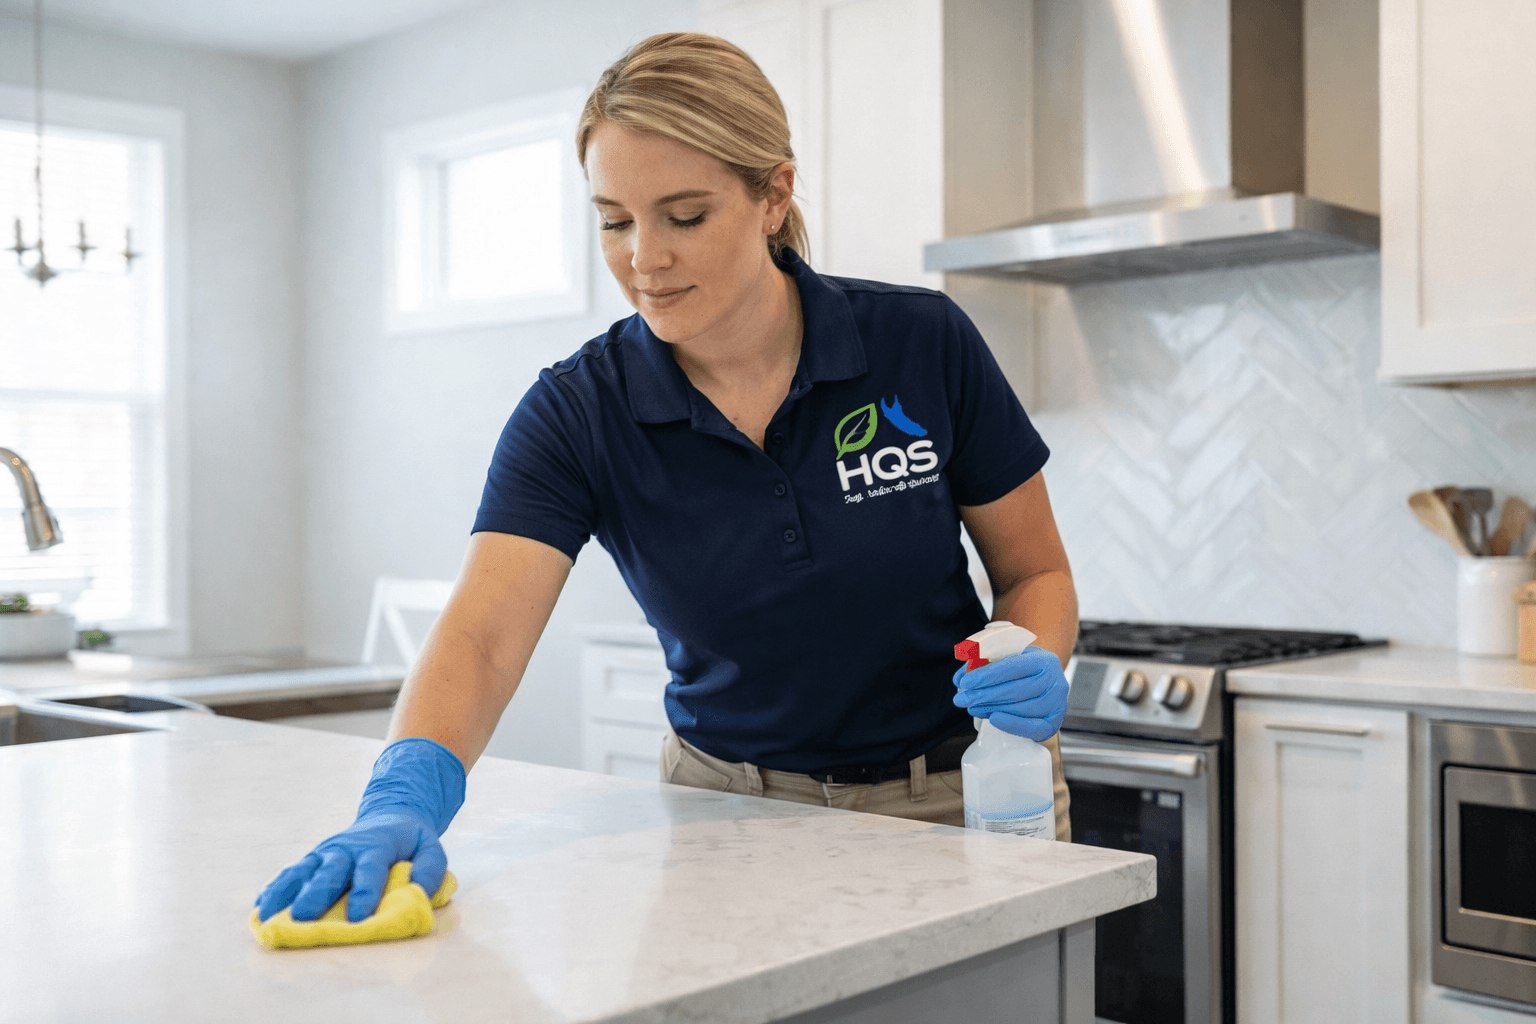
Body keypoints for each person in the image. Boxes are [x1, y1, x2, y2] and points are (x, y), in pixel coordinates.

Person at [256, 31, 1077, 926]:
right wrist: (401, 796)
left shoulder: (920, 342)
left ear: (774, 196)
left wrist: (1034, 656)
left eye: (684, 217)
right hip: (726, 817)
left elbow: (1034, 571)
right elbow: (481, 639)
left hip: (967, 798)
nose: (644, 259)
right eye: (615, 220)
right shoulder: (577, 413)